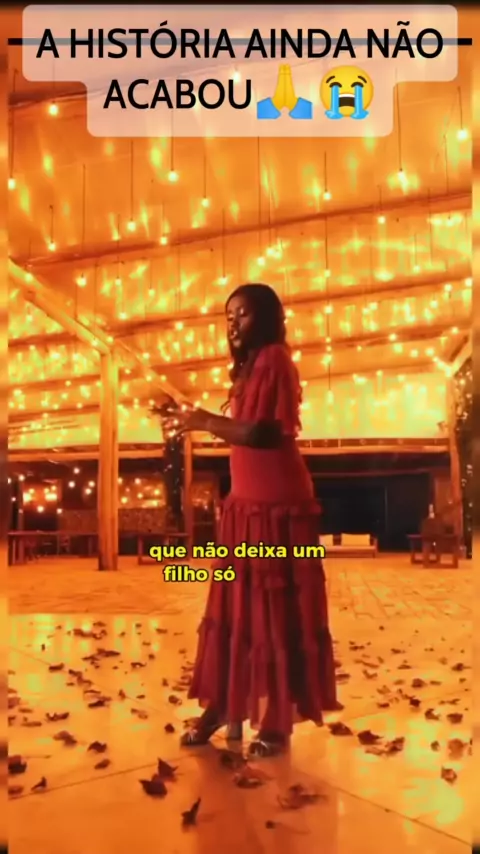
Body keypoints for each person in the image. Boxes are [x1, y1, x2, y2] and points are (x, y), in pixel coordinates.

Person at [165, 283, 337, 756]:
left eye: (241, 314)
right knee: (235, 609)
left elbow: (264, 434)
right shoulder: (251, 367)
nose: (232, 324)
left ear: (265, 317)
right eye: (228, 316)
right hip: (244, 505)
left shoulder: (275, 359)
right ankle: (224, 703)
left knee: (272, 614)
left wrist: (202, 421)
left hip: (277, 507)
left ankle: (276, 723)